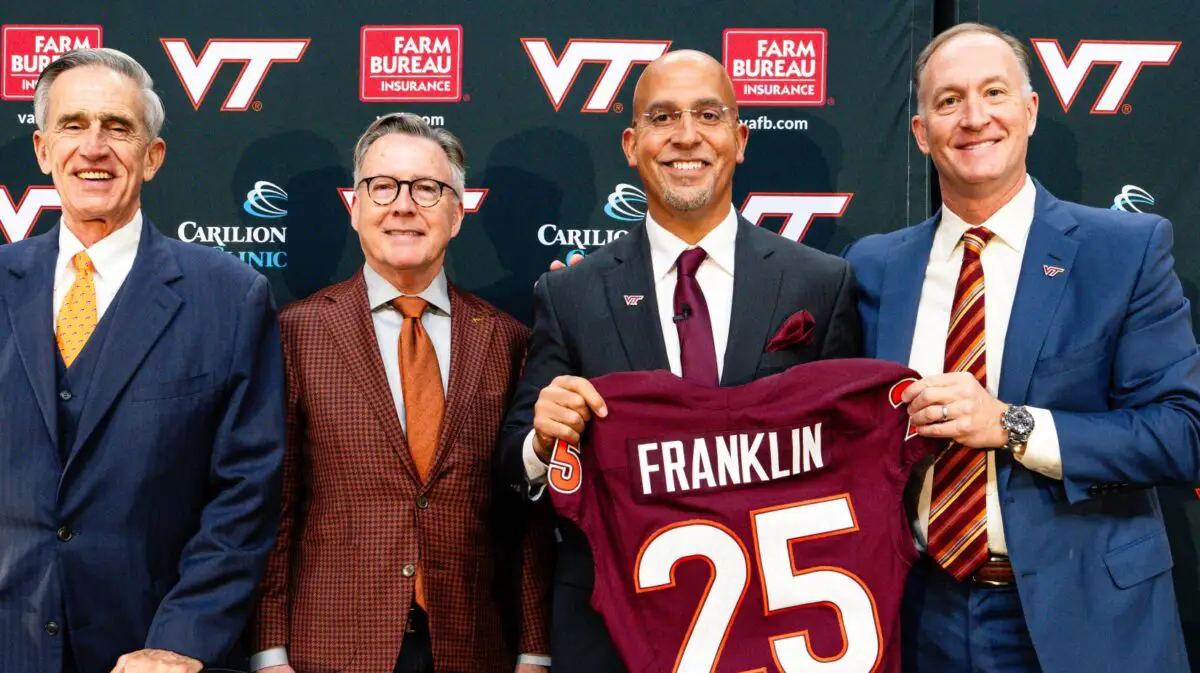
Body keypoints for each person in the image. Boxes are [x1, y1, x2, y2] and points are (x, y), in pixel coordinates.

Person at [843, 22, 1200, 672]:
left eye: (994, 93)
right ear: (921, 131)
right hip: (918, 614)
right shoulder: (873, 267)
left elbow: (1181, 434)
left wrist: (1010, 425)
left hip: (1088, 616)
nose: (974, 118)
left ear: (1030, 111)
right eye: (949, 101)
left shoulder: (1125, 251)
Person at [498, 50, 861, 671]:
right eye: (663, 117)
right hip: (610, 631)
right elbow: (513, 463)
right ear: (631, 144)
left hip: (775, 626)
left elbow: (849, 462)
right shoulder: (570, 293)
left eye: (708, 115)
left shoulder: (820, 283)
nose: (686, 136)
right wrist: (541, 441)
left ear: (740, 140)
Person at [0, 48, 286, 673]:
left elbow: (245, 497)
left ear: (152, 157)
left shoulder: (229, 296)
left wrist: (179, 640)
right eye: (73, 125)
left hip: (153, 653)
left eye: (117, 128)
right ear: (43, 150)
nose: (94, 147)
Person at [249, 113, 550, 673]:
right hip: (330, 650)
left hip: (472, 647)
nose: (404, 206)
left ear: (457, 214)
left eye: (427, 189)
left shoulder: (508, 340)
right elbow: (274, 503)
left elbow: (524, 518)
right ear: (355, 207)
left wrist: (534, 650)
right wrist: (269, 653)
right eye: (383, 187)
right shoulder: (295, 333)